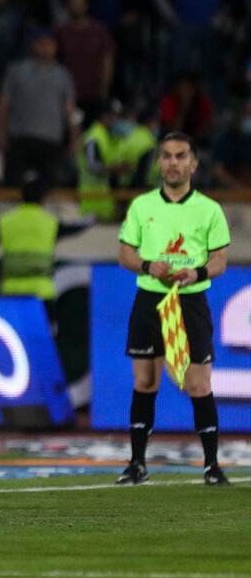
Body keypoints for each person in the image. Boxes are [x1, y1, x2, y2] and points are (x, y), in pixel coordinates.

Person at [115, 132, 230, 486]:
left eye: (181, 156)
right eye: (166, 156)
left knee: (198, 384)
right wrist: (149, 265)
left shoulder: (210, 209)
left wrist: (197, 272)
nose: (173, 162)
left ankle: (212, 466)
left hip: (189, 302)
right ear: (159, 163)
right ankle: (137, 464)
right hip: (150, 300)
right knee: (145, 382)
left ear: (194, 164)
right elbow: (125, 254)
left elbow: (221, 260)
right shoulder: (141, 207)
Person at [0, 176, 91, 305]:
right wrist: (90, 220)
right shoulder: (50, 223)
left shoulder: (5, 222)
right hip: (41, 291)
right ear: (43, 198)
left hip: (11, 291)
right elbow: (73, 229)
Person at [0, 27, 79, 186]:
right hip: (20, 139)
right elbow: (3, 106)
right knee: (14, 185)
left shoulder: (62, 75)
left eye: (50, 44)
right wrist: (1, 135)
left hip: (50, 141)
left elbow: (71, 110)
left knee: (51, 187)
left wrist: (75, 138)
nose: (46, 48)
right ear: (34, 45)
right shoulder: (16, 71)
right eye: (42, 43)